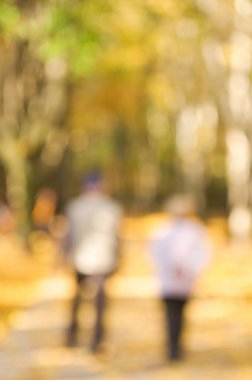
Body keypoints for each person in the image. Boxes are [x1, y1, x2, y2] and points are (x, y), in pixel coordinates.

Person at [65, 171, 123, 352]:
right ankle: (96, 340)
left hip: (81, 257)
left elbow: (68, 235)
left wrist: (63, 256)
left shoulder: (75, 206)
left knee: (77, 299)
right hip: (102, 258)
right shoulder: (112, 207)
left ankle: (72, 336)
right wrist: (120, 257)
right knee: (99, 301)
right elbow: (117, 235)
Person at [148, 194, 211, 361]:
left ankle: (177, 345)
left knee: (181, 314)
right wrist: (169, 269)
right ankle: (172, 347)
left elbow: (203, 254)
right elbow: (155, 254)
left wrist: (189, 269)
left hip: (185, 280)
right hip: (168, 281)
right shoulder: (163, 230)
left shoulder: (195, 230)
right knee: (171, 314)